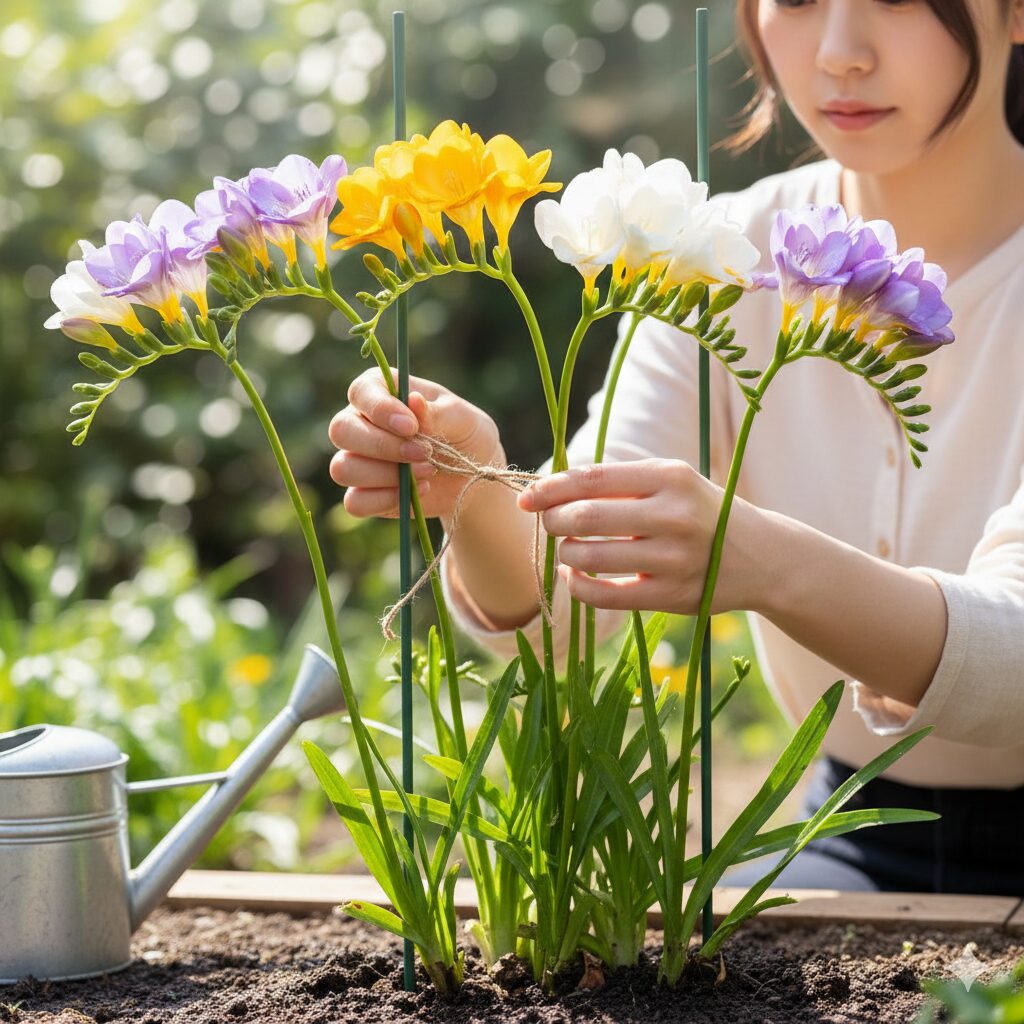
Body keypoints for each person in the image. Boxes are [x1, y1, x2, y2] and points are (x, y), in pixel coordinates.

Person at [327, 0, 1024, 896]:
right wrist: (470, 488)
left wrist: (766, 563)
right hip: (852, 826)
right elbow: (574, 613)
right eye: (801, 0)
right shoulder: (712, 253)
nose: (843, 54)